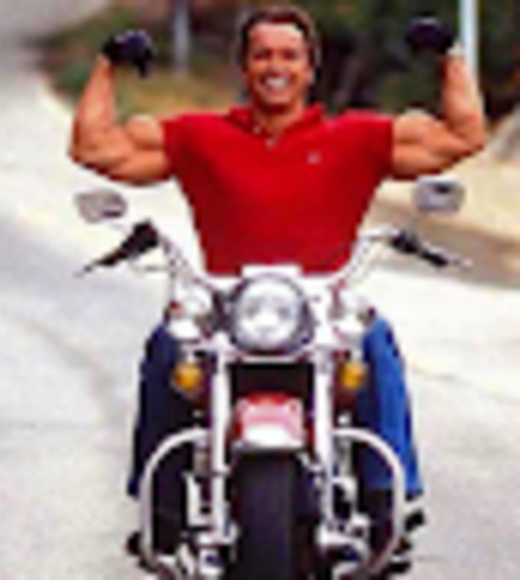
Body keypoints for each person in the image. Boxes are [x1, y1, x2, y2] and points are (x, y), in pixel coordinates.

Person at [69, 4, 486, 571]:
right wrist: (107, 63)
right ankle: (161, 512)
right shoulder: (199, 136)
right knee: (168, 343)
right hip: (225, 309)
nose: (276, 67)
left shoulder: (356, 137)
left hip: (323, 307)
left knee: (374, 338)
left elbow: (463, 135)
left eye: (289, 55)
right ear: (244, 67)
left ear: (310, 68)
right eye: (262, 55)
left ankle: (388, 501)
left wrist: (450, 57)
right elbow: (95, 148)